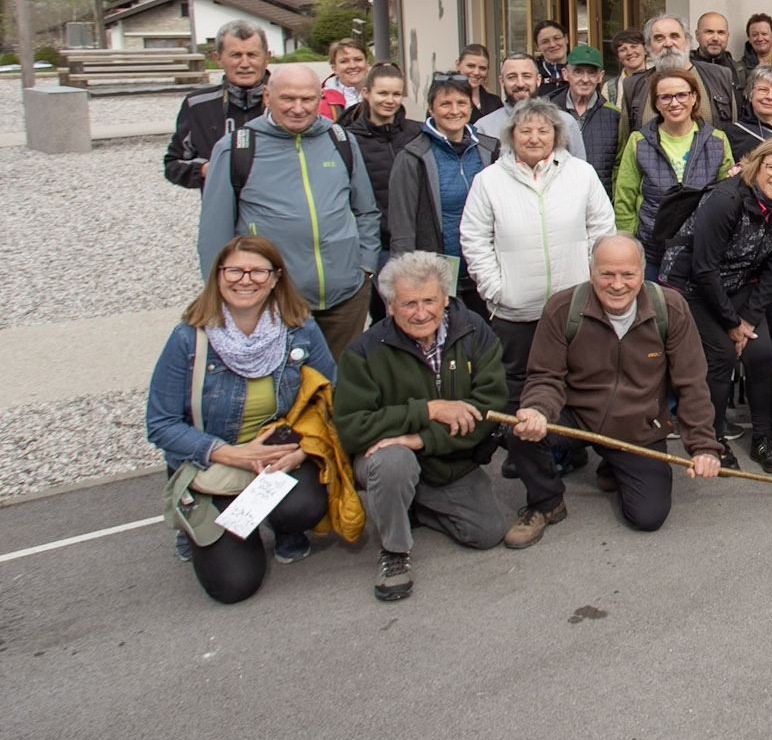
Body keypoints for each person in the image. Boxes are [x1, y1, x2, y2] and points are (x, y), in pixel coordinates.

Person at [147, 236, 340, 603]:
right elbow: (161, 424)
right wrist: (231, 453)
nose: (245, 280)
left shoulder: (300, 328)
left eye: (258, 271)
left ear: (275, 277)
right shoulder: (188, 339)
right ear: (218, 276)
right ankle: (202, 526)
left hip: (276, 456)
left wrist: (303, 450)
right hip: (216, 463)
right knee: (234, 585)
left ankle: (284, 527)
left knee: (305, 506)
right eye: (234, 270)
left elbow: (332, 396)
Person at [503, 235, 723, 546]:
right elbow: (545, 376)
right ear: (591, 271)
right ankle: (546, 502)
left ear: (642, 272)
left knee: (648, 517)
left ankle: (615, 464)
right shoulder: (563, 308)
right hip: (577, 417)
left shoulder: (670, 308)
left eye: (627, 274)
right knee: (520, 431)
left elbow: (692, 383)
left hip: (638, 428)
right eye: (607, 274)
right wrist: (538, 409)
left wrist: (703, 447)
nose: (617, 284)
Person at [334, 251, 510, 601]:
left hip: (447, 456)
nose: (420, 313)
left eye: (429, 301)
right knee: (393, 462)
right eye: (408, 304)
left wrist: (419, 439)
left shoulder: (473, 331)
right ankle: (394, 552)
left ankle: (412, 502)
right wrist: (427, 410)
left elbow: (487, 411)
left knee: (487, 532)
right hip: (388, 458)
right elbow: (352, 429)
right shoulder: (363, 352)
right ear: (389, 306)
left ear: (445, 298)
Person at [197, 63, 381, 356]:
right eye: (288, 98)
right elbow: (214, 233)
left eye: (307, 99)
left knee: (339, 379)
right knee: (281, 380)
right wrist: (221, 297)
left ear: (319, 98)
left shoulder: (340, 140)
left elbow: (366, 210)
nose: (298, 108)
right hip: (273, 301)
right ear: (267, 97)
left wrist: (365, 267)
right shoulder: (237, 148)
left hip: (345, 297)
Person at [458, 99, 613, 401]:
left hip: (574, 306)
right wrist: (496, 289)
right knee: (517, 385)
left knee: (578, 380)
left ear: (556, 134)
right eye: (525, 130)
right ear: (511, 135)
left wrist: (589, 279)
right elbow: (474, 239)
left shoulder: (581, 173)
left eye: (543, 131)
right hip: (515, 311)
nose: (534, 138)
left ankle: (570, 434)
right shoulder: (489, 181)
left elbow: (602, 228)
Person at [667, 138, 772, 470]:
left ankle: (762, 437)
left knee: (761, 352)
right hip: (694, 285)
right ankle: (712, 440)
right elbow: (703, 268)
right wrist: (732, 323)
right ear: (756, 166)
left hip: (741, 282)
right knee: (721, 355)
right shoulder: (726, 200)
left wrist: (748, 318)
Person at [387, 72, 497, 317]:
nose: (454, 111)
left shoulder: (490, 149)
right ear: (431, 108)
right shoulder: (412, 157)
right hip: (437, 277)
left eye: (461, 103)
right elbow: (402, 229)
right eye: (445, 104)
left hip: (485, 274)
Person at [613, 65, 736, 263]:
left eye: (681, 95)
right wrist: (627, 244)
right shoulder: (639, 141)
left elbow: (728, 196)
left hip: (701, 249)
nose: (674, 102)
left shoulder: (718, 140)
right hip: (652, 250)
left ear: (694, 97)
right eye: (666, 97)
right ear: (656, 103)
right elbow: (625, 199)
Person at [335, 62, 420, 286]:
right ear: (366, 93)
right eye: (382, 93)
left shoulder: (417, 133)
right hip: (376, 246)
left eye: (396, 94)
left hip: (417, 241)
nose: (390, 100)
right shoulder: (348, 140)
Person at [165, 19, 270, 188]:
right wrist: (206, 169)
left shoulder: (290, 103)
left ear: (266, 58)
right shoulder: (198, 105)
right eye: (236, 55)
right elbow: (173, 165)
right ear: (218, 58)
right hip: (222, 203)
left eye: (252, 55)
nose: (245, 64)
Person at [625, 13, 736, 127]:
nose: (668, 44)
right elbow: (626, 135)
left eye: (674, 36)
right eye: (659, 38)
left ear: (688, 41)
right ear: (648, 46)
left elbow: (733, 130)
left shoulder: (720, 76)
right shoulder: (633, 85)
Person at [475, 54, 589, 163]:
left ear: (538, 80)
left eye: (527, 76)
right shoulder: (484, 128)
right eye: (512, 77)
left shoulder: (565, 122)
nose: (520, 84)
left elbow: (580, 171)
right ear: (502, 81)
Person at [547, 44, 622, 192]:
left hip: (600, 197)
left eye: (592, 73)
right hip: (557, 196)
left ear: (600, 76)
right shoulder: (548, 112)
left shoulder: (614, 115)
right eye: (578, 72)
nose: (585, 79)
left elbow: (620, 165)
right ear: (565, 74)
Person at [318, 37, 369, 118]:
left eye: (358, 59)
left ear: (367, 64)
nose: (352, 66)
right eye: (344, 61)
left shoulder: (383, 94)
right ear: (334, 68)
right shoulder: (321, 101)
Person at [458, 44, 502, 122]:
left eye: (482, 68)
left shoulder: (495, 103)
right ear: (458, 65)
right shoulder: (445, 99)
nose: (476, 72)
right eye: (471, 66)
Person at [603, 27, 646, 106]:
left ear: (645, 49)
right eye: (623, 50)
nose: (629, 52)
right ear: (618, 57)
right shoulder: (610, 89)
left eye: (634, 46)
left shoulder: (659, 80)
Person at [531, 20, 571, 92]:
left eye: (557, 38)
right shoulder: (531, 74)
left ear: (566, 39)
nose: (552, 45)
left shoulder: (581, 70)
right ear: (537, 46)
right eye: (545, 42)